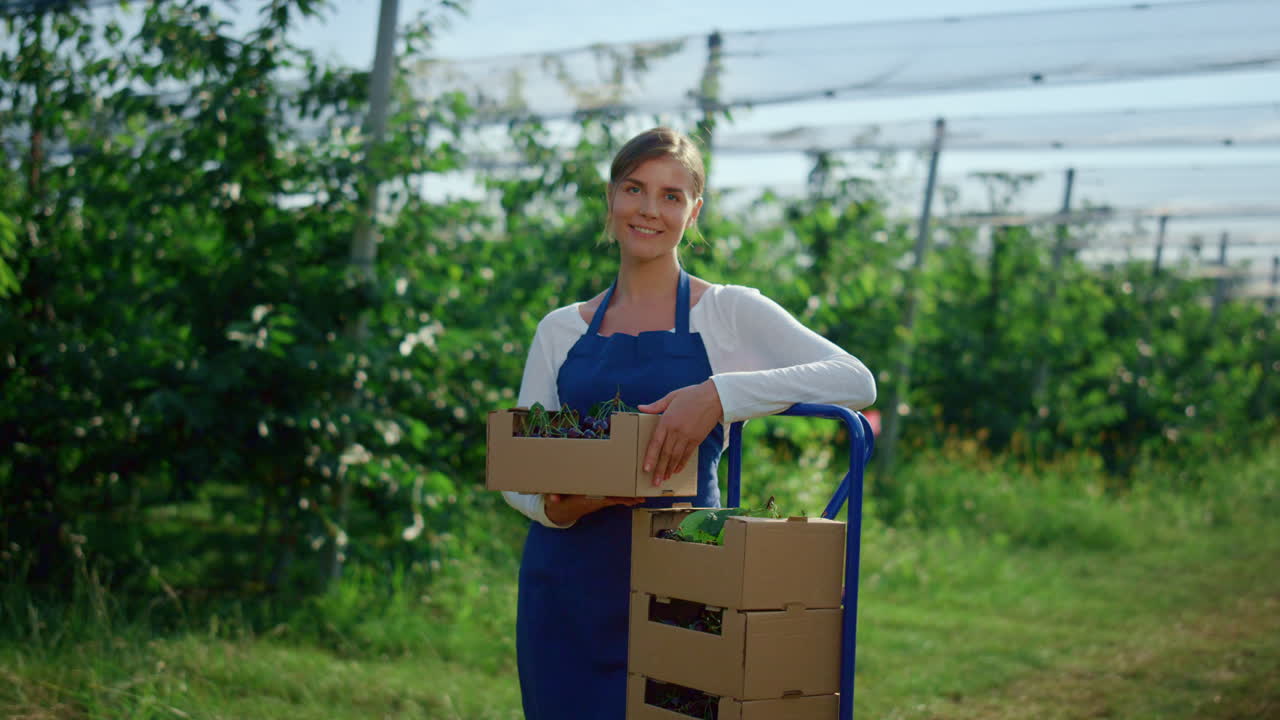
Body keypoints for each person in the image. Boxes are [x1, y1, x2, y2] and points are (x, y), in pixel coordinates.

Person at [502, 126, 876, 718]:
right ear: (611, 197)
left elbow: (854, 379)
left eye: (672, 196)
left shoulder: (726, 313)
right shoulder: (560, 330)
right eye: (635, 189)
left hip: (686, 580)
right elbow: (521, 469)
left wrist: (718, 395)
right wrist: (563, 505)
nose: (650, 210)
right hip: (567, 588)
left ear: (694, 211)